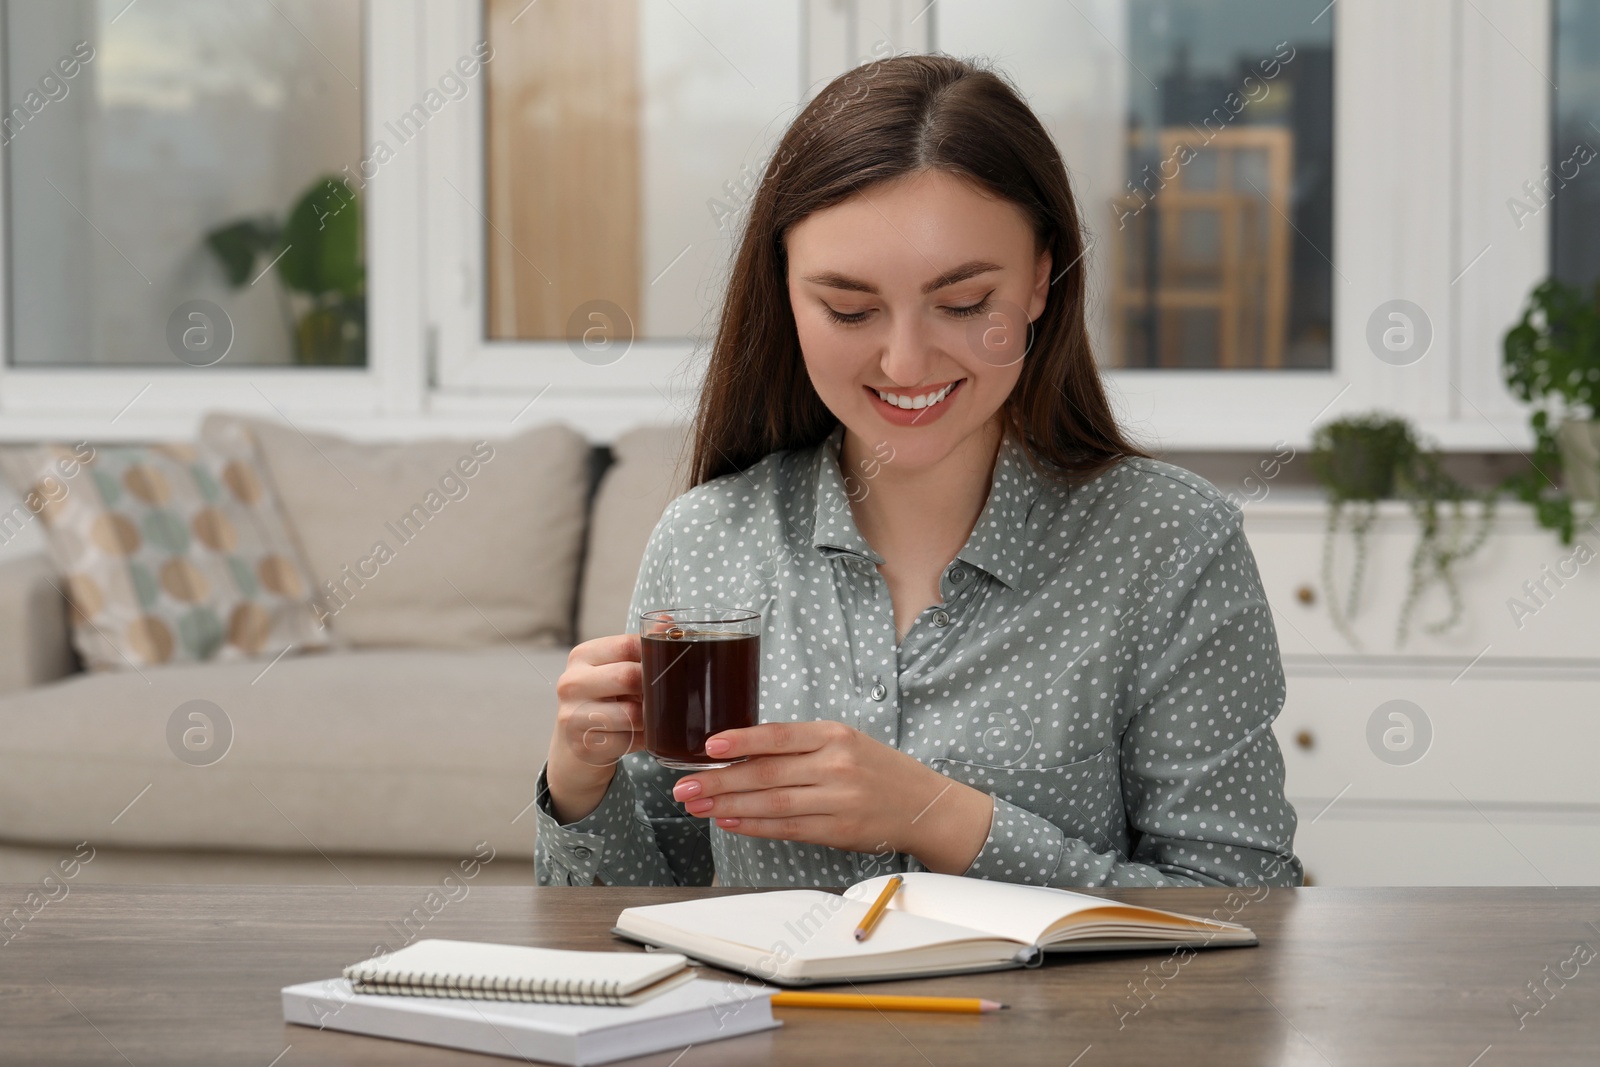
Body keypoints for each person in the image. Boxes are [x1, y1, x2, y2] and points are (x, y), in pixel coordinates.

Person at [534, 53, 1302, 890]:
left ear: (1042, 279)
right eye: (850, 310)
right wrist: (577, 784)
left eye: (964, 303)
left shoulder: (1169, 544)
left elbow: (1245, 911)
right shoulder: (709, 538)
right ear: (785, 293)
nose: (905, 362)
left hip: (1045, 1028)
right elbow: (651, 915)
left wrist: (938, 816)